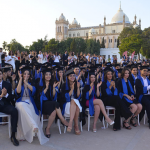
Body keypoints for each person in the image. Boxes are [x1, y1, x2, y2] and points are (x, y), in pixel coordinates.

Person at [15, 66, 49, 145]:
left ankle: (32, 129)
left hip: (30, 102)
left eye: (28, 74)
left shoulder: (32, 83)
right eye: (25, 74)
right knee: (22, 106)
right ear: (22, 75)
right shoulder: (19, 82)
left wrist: (26, 83)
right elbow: (18, 92)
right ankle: (33, 125)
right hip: (20, 102)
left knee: (32, 113)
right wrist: (21, 80)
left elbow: (33, 91)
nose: (26, 75)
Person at [36, 68, 68, 138]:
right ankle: (62, 119)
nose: (48, 76)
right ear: (44, 75)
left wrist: (53, 88)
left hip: (50, 103)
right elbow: (39, 97)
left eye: (49, 74)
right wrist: (46, 88)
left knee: (53, 112)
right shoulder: (39, 83)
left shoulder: (51, 83)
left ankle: (47, 128)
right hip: (42, 104)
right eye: (46, 74)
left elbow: (53, 97)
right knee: (56, 103)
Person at [0, 68, 19, 146]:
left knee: (14, 110)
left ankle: (13, 135)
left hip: (5, 105)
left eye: (0, 73)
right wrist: (1, 95)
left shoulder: (7, 84)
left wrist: (6, 94)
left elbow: (11, 98)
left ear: (2, 75)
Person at [61, 69, 82, 135]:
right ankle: (76, 125)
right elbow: (66, 98)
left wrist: (78, 88)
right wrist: (72, 88)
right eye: (71, 76)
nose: (72, 77)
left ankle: (71, 122)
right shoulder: (64, 85)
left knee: (75, 102)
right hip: (67, 104)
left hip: (75, 103)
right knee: (75, 103)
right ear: (67, 77)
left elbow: (78, 96)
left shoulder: (76, 84)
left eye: (73, 76)